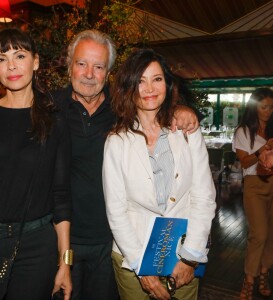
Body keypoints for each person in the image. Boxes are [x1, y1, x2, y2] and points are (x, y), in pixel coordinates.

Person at [55, 30, 200, 300]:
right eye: (81, 63)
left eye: (98, 66)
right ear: (69, 64)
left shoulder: (122, 109)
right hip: (61, 238)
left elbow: (154, 102)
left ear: (108, 72)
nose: (89, 73)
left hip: (112, 240)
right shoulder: (49, 108)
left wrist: (182, 110)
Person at [102, 48, 216, 300]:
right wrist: (141, 268)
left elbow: (203, 197)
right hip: (133, 256)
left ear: (167, 83)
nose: (149, 88)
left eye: (156, 79)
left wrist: (190, 256)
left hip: (181, 254)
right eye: (140, 81)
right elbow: (116, 211)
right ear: (128, 87)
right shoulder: (117, 141)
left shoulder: (187, 131)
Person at [0, 28, 72, 300]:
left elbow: (61, 196)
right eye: (1, 58)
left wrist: (65, 262)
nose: (11, 65)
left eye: (19, 55)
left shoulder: (54, 122)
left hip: (36, 246)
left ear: (36, 62)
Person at [232, 87, 273, 300]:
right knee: (260, 234)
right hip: (254, 183)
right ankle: (249, 280)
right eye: (263, 107)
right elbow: (245, 161)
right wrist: (263, 149)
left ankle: (264, 274)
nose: (267, 111)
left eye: (271, 108)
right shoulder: (243, 131)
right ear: (254, 106)